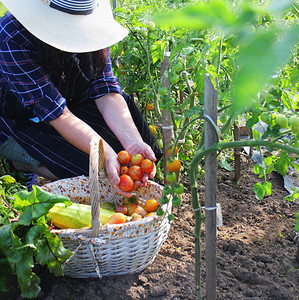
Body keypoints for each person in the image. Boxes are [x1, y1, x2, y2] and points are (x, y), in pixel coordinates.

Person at [0, 0, 162, 196]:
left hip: (72, 101)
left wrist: (132, 142)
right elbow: (56, 113)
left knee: (132, 145)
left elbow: (105, 89)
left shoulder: (91, 24)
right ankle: (20, 163)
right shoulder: (13, 36)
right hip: (23, 117)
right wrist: (105, 154)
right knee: (91, 170)